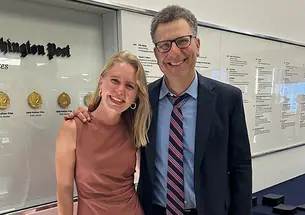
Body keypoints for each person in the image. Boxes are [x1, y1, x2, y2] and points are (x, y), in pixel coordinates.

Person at [66, 5, 252, 215]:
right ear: (156, 53)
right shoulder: (143, 99)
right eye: (164, 45)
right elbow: (110, 118)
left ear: (197, 45)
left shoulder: (227, 99)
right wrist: (86, 113)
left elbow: (240, 167)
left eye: (182, 41)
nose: (174, 52)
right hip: (154, 210)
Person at [56, 50, 151, 215]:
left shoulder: (135, 127)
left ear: (135, 96)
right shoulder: (73, 128)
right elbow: (64, 189)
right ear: (101, 82)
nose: (120, 91)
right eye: (115, 81)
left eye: (129, 86)